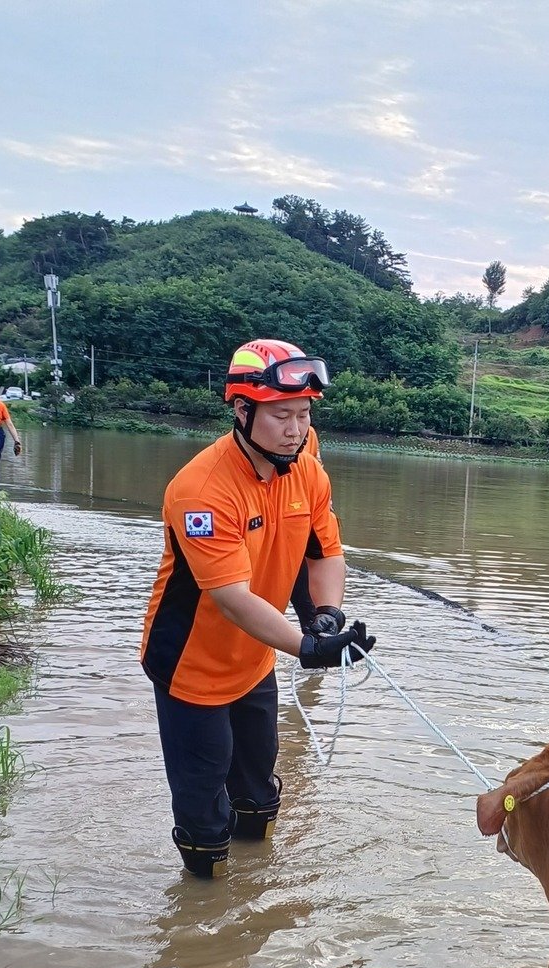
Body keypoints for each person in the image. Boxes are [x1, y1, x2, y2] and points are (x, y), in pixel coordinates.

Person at [139, 338, 375, 879]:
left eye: (304, 414)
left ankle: (253, 894)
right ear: (242, 411)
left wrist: (326, 616)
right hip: (191, 666)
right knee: (204, 813)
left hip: (255, 660)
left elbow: (325, 553)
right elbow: (231, 598)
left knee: (259, 791)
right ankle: (204, 910)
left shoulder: (307, 473)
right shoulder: (201, 490)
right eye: (282, 415)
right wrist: (309, 648)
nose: (296, 429)